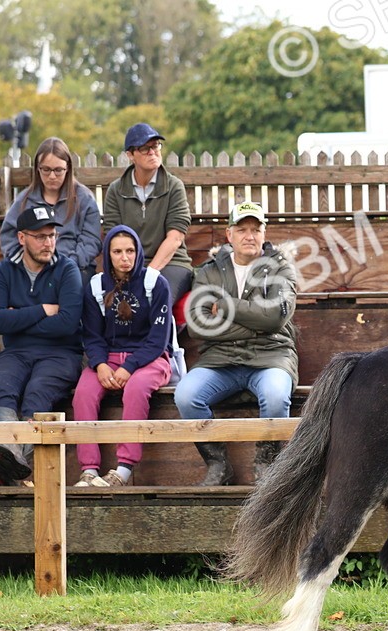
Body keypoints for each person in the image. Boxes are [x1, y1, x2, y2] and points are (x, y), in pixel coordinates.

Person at [174, 201, 297, 485]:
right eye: (242, 229)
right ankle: (218, 465)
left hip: (270, 356)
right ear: (229, 235)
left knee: (277, 396)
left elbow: (273, 320)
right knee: (186, 395)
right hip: (220, 360)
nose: (249, 236)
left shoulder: (280, 269)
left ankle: (267, 465)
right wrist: (256, 324)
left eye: (256, 229)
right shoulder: (209, 272)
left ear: (264, 234)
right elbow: (198, 325)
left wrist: (227, 306)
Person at [0, 206, 82, 486]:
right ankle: (10, 462)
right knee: (4, 387)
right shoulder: (5, 270)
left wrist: (18, 317)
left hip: (60, 354)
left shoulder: (67, 269)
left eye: (52, 235)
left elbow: (68, 323)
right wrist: (43, 310)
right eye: (40, 236)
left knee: (36, 394)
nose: (48, 242)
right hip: (16, 353)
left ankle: (3, 464)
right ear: (22, 238)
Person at [71, 226, 174, 488]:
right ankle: (89, 469)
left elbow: (158, 339)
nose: (124, 257)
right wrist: (100, 364)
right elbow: (92, 335)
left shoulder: (155, 283)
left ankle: (123, 469)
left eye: (130, 251)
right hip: (108, 358)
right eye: (117, 252)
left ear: (138, 252)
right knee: (83, 392)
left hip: (150, 359)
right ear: (108, 255)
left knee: (136, 389)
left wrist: (129, 366)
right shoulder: (96, 286)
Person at [102, 123, 193, 306]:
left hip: (172, 263)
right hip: (129, 263)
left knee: (157, 294)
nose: (153, 152)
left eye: (156, 146)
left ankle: (163, 335)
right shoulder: (116, 190)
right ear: (130, 155)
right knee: (111, 301)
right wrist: (131, 270)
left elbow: (175, 238)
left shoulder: (174, 186)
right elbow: (114, 238)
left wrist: (148, 274)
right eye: (145, 148)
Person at [0, 137, 102, 279]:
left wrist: (68, 264)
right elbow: (8, 237)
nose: (52, 176)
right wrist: (27, 265)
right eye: (46, 169)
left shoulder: (84, 198)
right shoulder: (24, 201)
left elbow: (91, 240)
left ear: (68, 169)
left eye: (58, 170)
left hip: (75, 269)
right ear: (37, 169)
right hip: (32, 271)